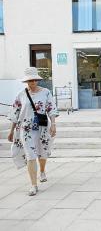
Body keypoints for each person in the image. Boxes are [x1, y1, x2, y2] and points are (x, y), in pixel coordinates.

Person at [7, 67, 58, 196]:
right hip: (26, 129)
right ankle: (34, 185)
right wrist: (11, 131)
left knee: (42, 153)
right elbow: (15, 114)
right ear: (26, 81)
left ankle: (42, 170)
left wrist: (53, 125)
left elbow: (51, 109)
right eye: (30, 80)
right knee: (31, 155)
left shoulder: (46, 92)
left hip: (41, 128)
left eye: (35, 80)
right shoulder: (21, 95)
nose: (33, 82)